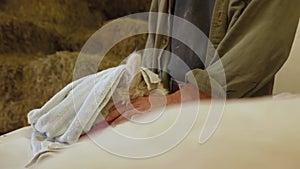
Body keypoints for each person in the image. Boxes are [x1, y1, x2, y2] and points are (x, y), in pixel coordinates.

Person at [106, 0, 300, 125]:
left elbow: (256, 54)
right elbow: (157, 43)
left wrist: (170, 102)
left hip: (227, 125)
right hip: (165, 111)